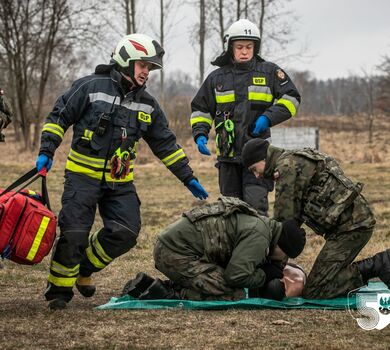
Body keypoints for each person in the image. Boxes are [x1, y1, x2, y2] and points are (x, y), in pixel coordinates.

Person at [36, 33, 209, 310]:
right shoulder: (90, 87)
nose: (146, 72)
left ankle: (84, 268)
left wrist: (188, 177)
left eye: (149, 67)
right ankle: (58, 290)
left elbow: (165, 143)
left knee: (126, 232)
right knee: (75, 233)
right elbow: (59, 116)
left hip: (120, 182)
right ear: (126, 60)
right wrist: (46, 150)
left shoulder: (148, 104)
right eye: (142, 65)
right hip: (82, 177)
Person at [241, 138, 390, 299]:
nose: (256, 176)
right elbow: (292, 225)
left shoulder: (286, 168)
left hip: (352, 227)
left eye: (254, 169)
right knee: (322, 279)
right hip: (352, 222)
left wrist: (271, 268)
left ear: (263, 159)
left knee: (316, 291)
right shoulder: (292, 159)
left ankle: (380, 264)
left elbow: (283, 227)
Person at [190, 19, 301, 215]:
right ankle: (235, 246)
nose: (244, 51)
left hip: (258, 155)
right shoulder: (217, 78)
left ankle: (261, 245)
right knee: (231, 211)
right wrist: (200, 133)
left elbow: (291, 98)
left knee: (256, 207)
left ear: (255, 47)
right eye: (239, 47)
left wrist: (267, 118)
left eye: (249, 47)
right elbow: (201, 109)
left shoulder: (269, 72)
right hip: (227, 156)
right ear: (230, 47)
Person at [121, 196, 306, 301]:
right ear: (282, 244)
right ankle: (170, 294)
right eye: (286, 254)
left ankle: (151, 285)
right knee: (234, 292)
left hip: (173, 248)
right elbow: (235, 276)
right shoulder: (260, 236)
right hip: (174, 254)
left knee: (222, 279)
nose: (282, 259)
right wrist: (264, 275)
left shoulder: (262, 225)